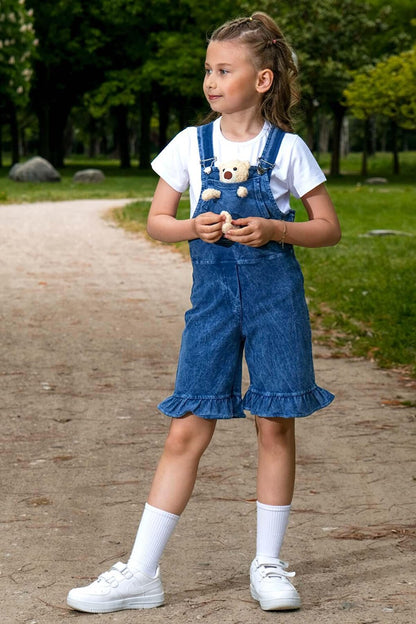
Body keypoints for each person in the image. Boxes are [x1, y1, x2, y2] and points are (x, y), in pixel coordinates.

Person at [67, 11, 341, 614]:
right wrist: (193, 225)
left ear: (262, 80)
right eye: (207, 71)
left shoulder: (288, 149)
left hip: (276, 305)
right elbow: (157, 221)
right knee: (188, 424)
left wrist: (276, 228)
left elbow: (328, 228)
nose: (211, 81)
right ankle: (141, 572)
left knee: (275, 423)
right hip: (212, 307)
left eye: (224, 70)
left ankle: (268, 566)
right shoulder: (190, 145)